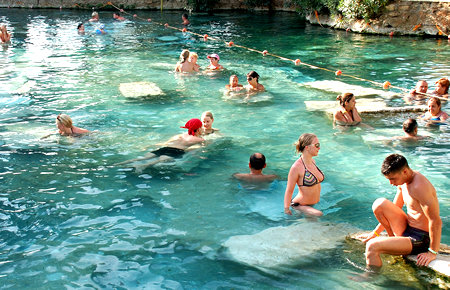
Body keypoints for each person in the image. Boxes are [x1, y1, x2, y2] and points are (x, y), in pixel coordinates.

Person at [362, 154, 441, 271]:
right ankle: (392, 241)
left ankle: (371, 279)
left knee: (372, 246)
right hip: (407, 228)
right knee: (379, 204)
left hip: (420, 238)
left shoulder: (420, 187)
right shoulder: (403, 182)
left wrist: (432, 252)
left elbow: (436, 221)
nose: (391, 183)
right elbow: (395, 208)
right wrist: (376, 233)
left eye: (392, 179)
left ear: (404, 172)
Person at [115, 118, 205, 172]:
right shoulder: (199, 139)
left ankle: (118, 164)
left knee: (142, 158)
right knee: (157, 161)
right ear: (199, 128)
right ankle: (142, 166)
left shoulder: (180, 135)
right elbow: (200, 147)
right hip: (176, 151)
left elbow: (167, 142)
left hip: (165, 148)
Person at [284, 133, 324, 217]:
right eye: (317, 145)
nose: (319, 148)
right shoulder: (296, 167)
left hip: (312, 205)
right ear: (307, 147)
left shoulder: (313, 162)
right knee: (318, 214)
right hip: (300, 205)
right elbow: (289, 190)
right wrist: (286, 209)